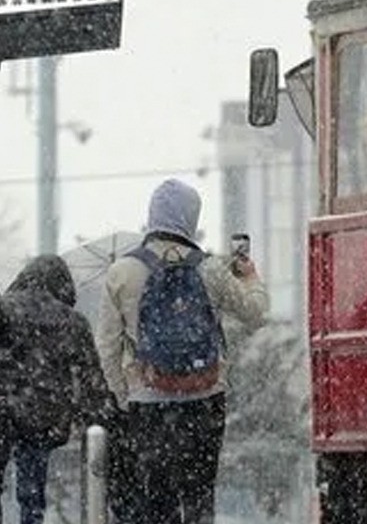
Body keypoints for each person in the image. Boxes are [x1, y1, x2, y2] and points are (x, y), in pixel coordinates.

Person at [97, 179, 270, 524]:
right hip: (204, 397)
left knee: (156, 500)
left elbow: (107, 345)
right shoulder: (211, 268)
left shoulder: (122, 272)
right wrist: (250, 278)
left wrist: (124, 397)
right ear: (191, 216)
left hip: (148, 401)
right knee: (199, 496)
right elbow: (256, 314)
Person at [0, 254, 118, 524]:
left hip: (3, 407)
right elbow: (90, 376)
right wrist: (100, 414)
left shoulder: (5, 309)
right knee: (32, 491)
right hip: (42, 415)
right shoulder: (72, 320)